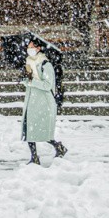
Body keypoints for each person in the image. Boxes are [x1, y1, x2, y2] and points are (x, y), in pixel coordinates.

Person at [20, 37, 67, 165]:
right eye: (28, 48)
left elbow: (47, 85)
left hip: (44, 102)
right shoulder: (29, 63)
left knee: (42, 130)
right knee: (29, 129)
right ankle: (34, 157)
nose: (29, 50)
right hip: (31, 101)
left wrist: (32, 81)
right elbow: (29, 83)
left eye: (31, 47)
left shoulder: (46, 64)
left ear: (38, 48)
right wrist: (24, 80)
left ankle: (58, 147)